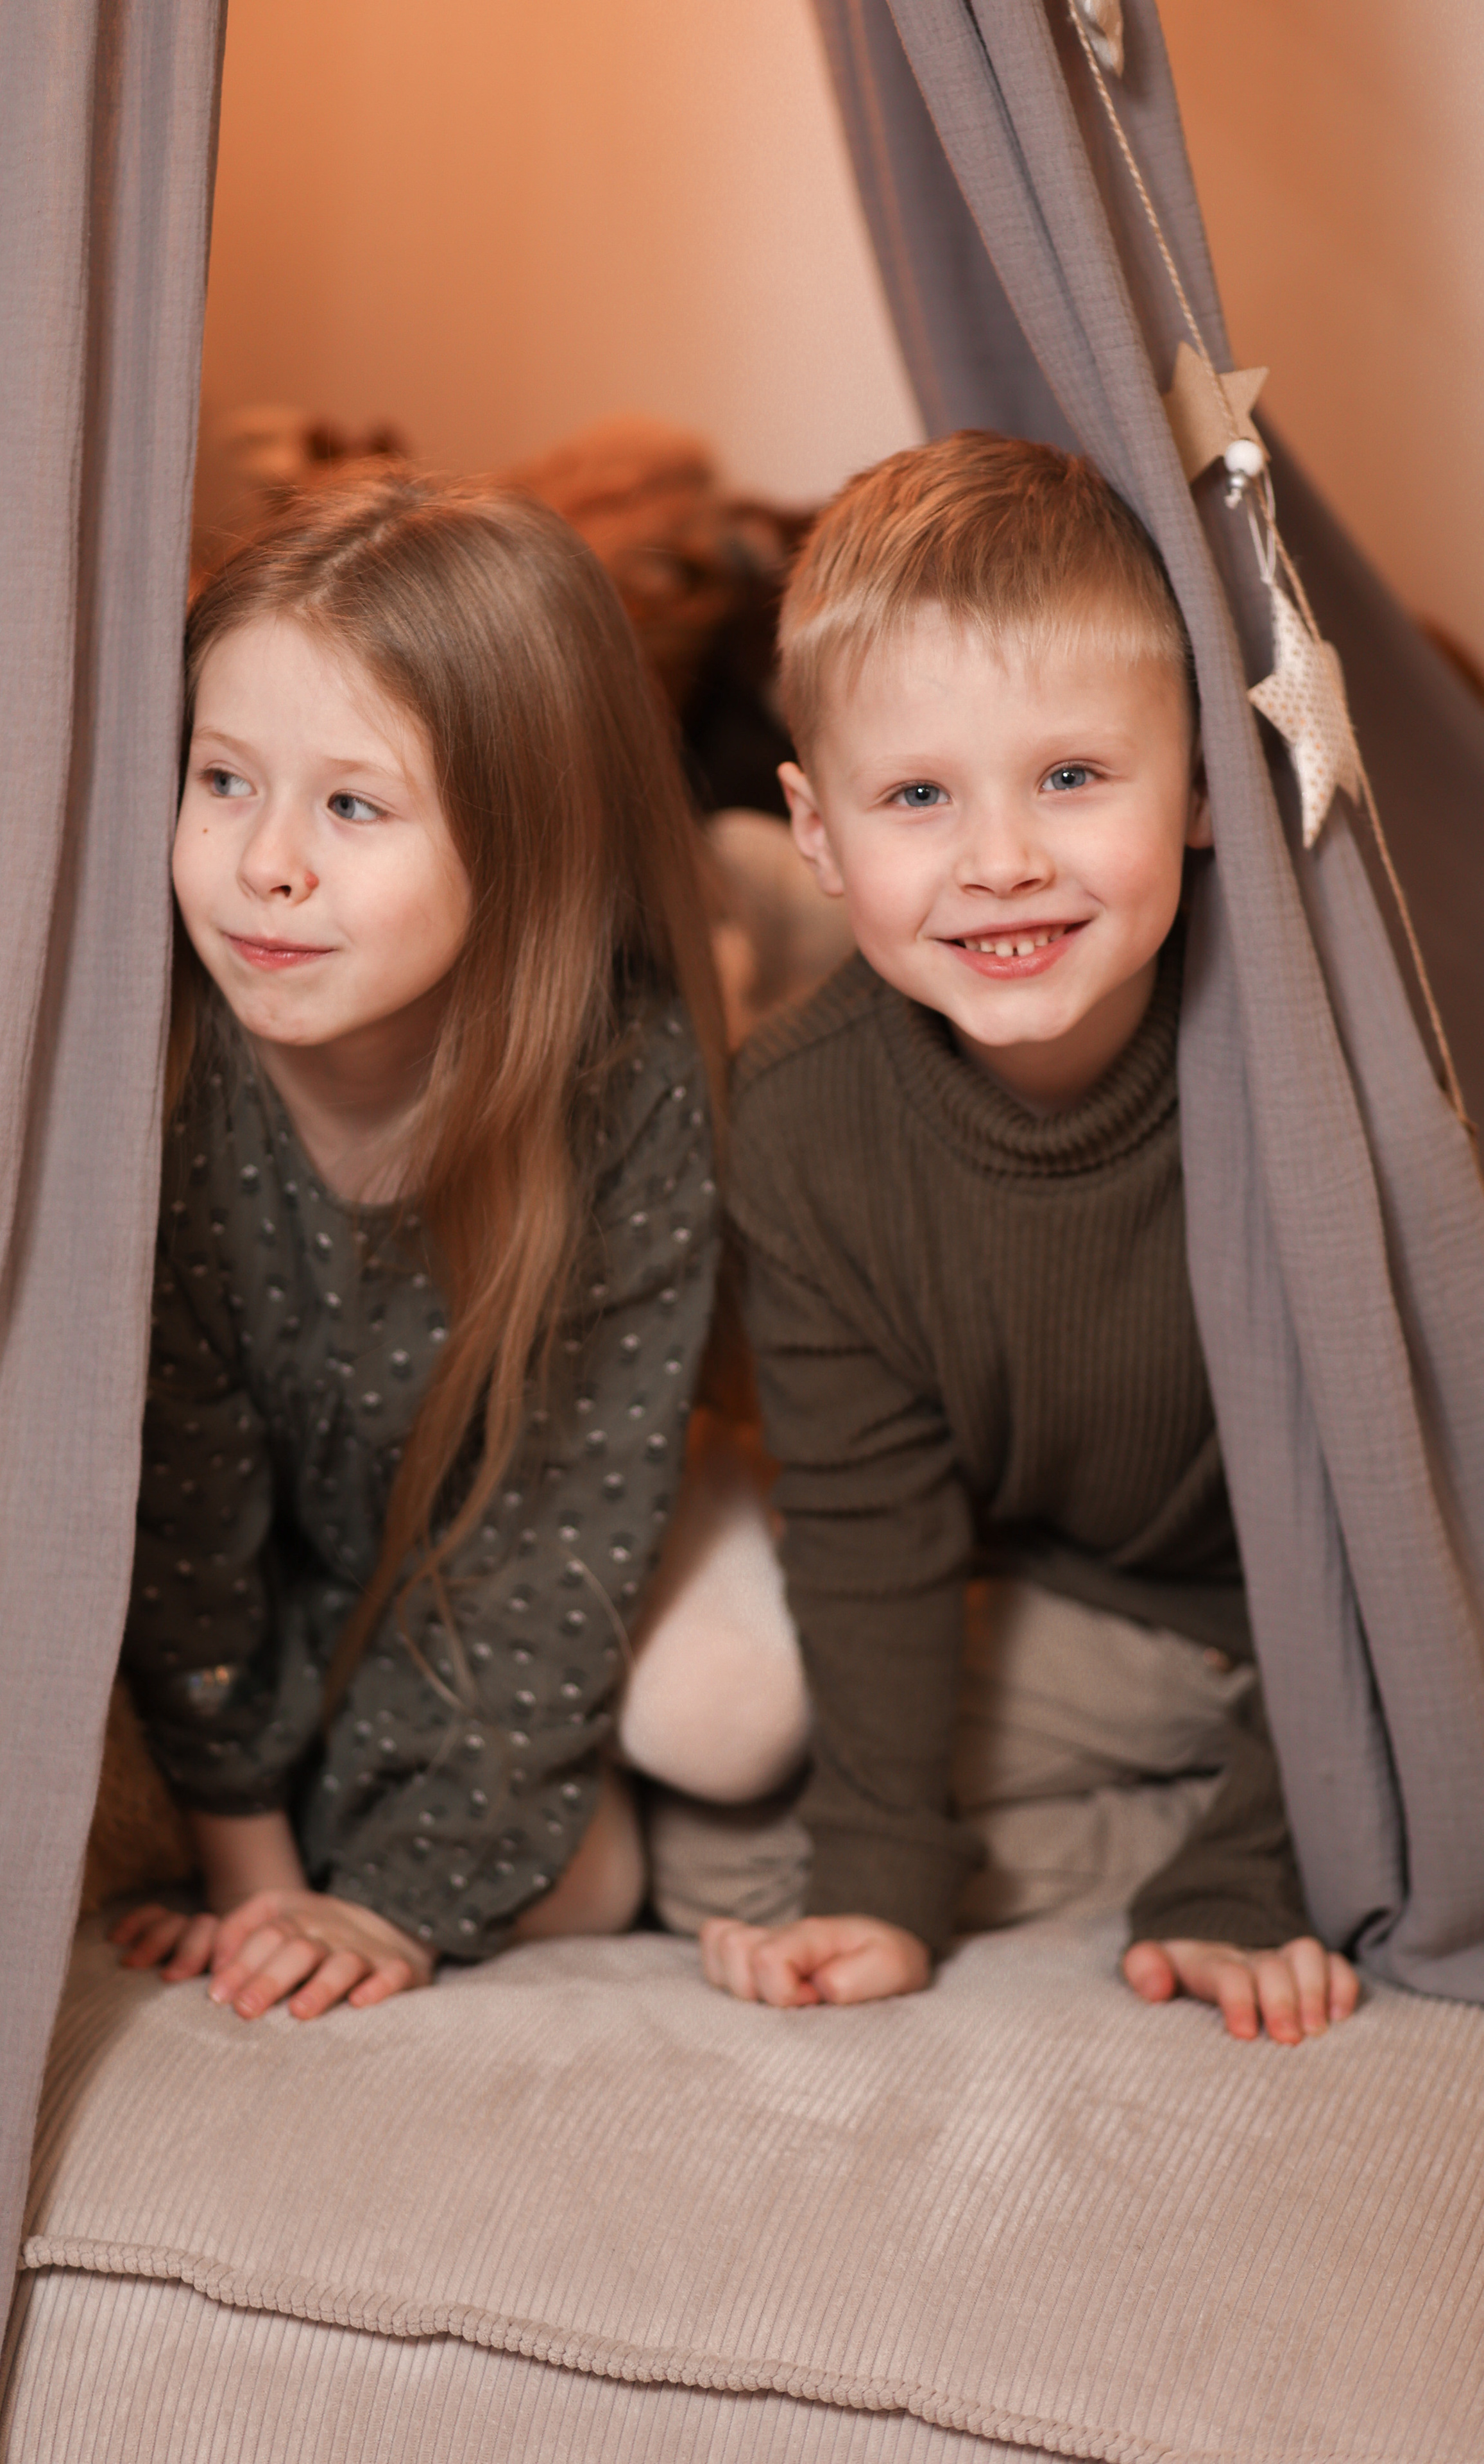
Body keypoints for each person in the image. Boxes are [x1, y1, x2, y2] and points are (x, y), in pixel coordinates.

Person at [701, 433, 1361, 2045]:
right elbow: (868, 1524)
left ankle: (1266, 1819)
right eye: (917, 796)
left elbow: (1402, 1513)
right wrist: (872, 1884)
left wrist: (1260, 1868)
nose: (1000, 858)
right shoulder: (797, 1126)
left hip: (1338, 1621)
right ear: (813, 831)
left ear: (1202, 783)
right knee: (723, 1845)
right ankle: (1182, 1809)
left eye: (1070, 776)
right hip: (1081, 1605)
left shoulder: (1309, 1074)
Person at [113, 469, 738, 2020]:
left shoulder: (623, 1088)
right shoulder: (166, 1075)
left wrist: (398, 1896)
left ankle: (763, 908)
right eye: (221, 781)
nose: (267, 864)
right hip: (311, 1547)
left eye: (352, 804)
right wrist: (256, 1882)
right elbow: (182, 1504)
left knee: (713, 1737)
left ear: (524, 842)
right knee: (362, 1836)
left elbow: (560, 1531)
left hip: (548, 1504)